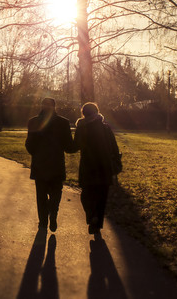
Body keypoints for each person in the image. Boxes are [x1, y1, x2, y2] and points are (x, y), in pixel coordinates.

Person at [25, 98, 76, 232]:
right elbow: (69, 146)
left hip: (40, 164)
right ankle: (53, 212)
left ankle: (43, 222)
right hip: (56, 163)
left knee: (41, 195)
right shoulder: (63, 122)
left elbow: (29, 144)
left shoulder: (33, 121)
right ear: (55, 107)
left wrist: (36, 154)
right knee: (56, 192)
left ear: (41, 106)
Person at [74, 102, 121, 235]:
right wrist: (117, 163)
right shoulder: (106, 128)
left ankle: (91, 215)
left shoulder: (81, 128)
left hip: (88, 166)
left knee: (86, 194)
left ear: (83, 113)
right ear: (97, 111)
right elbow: (114, 147)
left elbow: (76, 145)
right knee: (102, 196)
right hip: (105, 167)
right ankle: (97, 224)